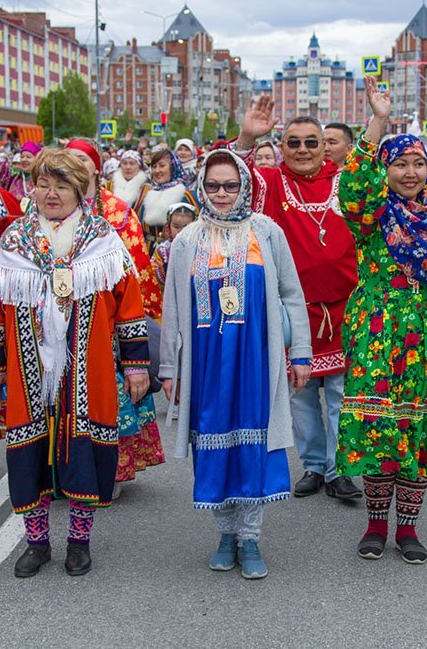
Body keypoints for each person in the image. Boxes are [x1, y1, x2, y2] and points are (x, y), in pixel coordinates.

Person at [0, 149, 150, 578]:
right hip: (26, 370)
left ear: (80, 190)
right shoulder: (13, 240)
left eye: (62, 185)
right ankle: (36, 543)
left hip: (87, 372)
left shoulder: (103, 240)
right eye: (43, 184)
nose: (51, 194)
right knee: (30, 451)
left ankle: (78, 541)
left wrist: (136, 365)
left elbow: (128, 305)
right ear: (31, 188)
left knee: (83, 452)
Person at [337, 77, 427, 564]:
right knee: (380, 431)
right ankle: (376, 523)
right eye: (400, 162)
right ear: (385, 168)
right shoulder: (373, 214)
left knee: (419, 434)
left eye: (418, 163)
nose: (410, 171)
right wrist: (377, 121)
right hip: (380, 337)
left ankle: (408, 528)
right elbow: (352, 187)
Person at [158, 149, 312, 579]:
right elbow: (173, 307)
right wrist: (170, 368)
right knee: (213, 444)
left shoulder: (265, 231)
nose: (221, 194)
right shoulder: (187, 240)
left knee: (252, 445)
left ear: (244, 185)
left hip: (255, 360)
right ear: (200, 189)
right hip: (207, 363)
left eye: (230, 185)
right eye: (212, 185)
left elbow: (291, 294)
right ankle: (225, 533)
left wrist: (299, 353)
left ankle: (251, 536)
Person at [232, 98, 362, 501]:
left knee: (342, 393)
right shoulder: (271, 182)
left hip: (345, 307)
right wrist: (247, 137)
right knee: (301, 392)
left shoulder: (346, 181)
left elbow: (375, 171)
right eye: (293, 143)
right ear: (282, 147)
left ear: (326, 147)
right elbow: (231, 179)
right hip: (293, 310)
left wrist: (378, 117)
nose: (302, 150)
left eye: (311, 142)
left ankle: (342, 469)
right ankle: (313, 465)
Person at [65, 138, 164, 486]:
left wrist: (140, 324)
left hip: (109, 319)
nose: (74, 165)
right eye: (68, 159)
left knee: (113, 389)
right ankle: (68, 469)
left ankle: (113, 469)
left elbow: (137, 270)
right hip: (63, 318)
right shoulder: (52, 205)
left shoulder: (118, 212)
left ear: (96, 167)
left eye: (81, 159)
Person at [134, 148, 199, 249]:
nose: (157, 170)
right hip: (148, 252)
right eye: (154, 166)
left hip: (177, 250)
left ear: (172, 167)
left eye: (162, 165)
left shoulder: (186, 196)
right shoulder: (147, 194)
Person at [0, 110, 39, 204]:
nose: (24, 160)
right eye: (22, 156)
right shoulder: (12, 177)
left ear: (38, 159)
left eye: (28, 157)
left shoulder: (45, 180)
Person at [150, 201, 197, 312]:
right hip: (169, 299)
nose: (180, 232)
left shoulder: (200, 248)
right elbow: (153, 277)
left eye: (186, 227)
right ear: (168, 227)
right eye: (176, 227)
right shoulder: (163, 250)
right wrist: (164, 270)